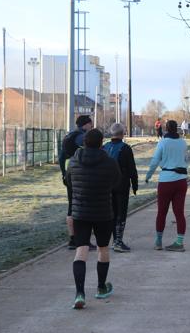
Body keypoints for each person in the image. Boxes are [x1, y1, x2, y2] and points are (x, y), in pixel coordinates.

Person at [65, 128, 120, 309]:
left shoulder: (73, 161)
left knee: (81, 250)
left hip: (80, 212)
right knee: (103, 249)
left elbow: (69, 182)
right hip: (103, 212)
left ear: (84, 143)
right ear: (101, 143)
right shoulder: (110, 163)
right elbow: (116, 184)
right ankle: (100, 287)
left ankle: (79, 293)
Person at [145, 120, 188, 252]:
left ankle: (158, 241)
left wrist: (148, 175)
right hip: (181, 180)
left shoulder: (163, 142)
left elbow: (155, 160)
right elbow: (186, 159)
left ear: (166, 129)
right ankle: (179, 242)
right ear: (178, 128)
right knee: (179, 212)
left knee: (162, 212)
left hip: (166, 180)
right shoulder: (183, 142)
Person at [102, 122, 139, 252]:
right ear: (122, 134)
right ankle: (118, 241)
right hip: (122, 185)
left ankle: (113, 240)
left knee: (111, 214)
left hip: (107, 186)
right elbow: (132, 169)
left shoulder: (105, 147)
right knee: (121, 213)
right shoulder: (125, 148)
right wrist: (135, 185)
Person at [59, 115, 94, 250]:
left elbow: (61, 157)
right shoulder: (82, 136)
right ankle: (84, 240)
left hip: (70, 173)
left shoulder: (69, 136)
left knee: (71, 207)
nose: (91, 127)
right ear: (86, 124)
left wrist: (63, 174)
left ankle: (72, 239)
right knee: (85, 207)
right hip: (82, 175)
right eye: (90, 124)